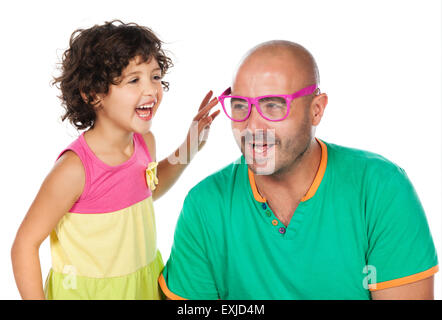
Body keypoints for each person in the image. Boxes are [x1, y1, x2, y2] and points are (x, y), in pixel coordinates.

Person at [159, 40, 438, 300]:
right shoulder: (206, 205)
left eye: (273, 106)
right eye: (241, 106)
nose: (253, 128)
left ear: (316, 110)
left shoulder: (380, 188)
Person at [10, 20, 220, 300]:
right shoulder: (74, 169)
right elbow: (24, 244)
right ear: (93, 94)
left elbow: (148, 190)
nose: (151, 90)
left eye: (155, 77)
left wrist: (191, 146)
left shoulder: (145, 142)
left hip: (141, 288)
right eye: (134, 80)